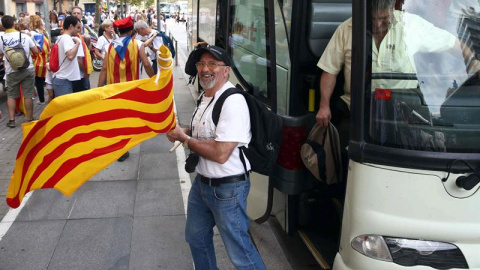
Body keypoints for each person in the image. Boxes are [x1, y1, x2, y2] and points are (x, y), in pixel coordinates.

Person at [166, 46, 266, 270]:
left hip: (227, 191)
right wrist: (181, 130)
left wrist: (183, 139)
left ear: (226, 70)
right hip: (202, 185)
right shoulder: (206, 96)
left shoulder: (233, 102)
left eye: (212, 64)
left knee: (240, 253)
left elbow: (221, 153)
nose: (205, 69)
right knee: (196, 239)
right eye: (201, 64)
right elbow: (204, 130)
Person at [315, 0, 461, 152]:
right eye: (372, 20)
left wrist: (473, 63)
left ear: (393, 9)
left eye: (384, 20)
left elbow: (452, 43)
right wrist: (324, 106)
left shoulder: (411, 26)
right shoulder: (346, 29)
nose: (377, 25)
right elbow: (329, 70)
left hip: (403, 110)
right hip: (356, 107)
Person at [97, 17, 154, 162]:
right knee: (128, 119)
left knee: (116, 119)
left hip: (113, 89)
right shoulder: (137, 44)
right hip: (131, 90)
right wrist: (154, 79)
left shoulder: (110, 46)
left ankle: (119, 148)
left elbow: (103, 68)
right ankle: (123, 147)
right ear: (131, 31)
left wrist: (98, 89)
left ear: (118, 31)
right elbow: (147, 64)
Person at [0, 15, 39, 128]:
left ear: (3, 26)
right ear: (13, 24)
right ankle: (30, 118)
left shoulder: (1, 38)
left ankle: (12, 120)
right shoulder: (24, 36)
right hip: (27, 68)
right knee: (28, 95)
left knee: (11, 95)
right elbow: (36, 51)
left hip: (11, 70)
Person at [51, 16, 82, 97]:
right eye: (78, 27)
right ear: (71, 26)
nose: (79, 30)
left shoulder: (61, 38)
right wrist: (78, 43)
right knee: (66, 108)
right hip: (63, 80)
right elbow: (70, 56)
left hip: (62, 79)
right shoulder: (66, 38)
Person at [28, 14, 50, 105]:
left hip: (37, 61)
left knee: (39, 82)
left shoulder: (32, 34)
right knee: (47, 80)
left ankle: (42, 100)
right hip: (46, 59)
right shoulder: (45, 32)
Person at [71, 6, 93, 92]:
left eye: (78, 13)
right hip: (78, 71)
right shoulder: (72, 35)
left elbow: (87, 49)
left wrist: (87, 42)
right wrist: (84, 71)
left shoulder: (84, 28)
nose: (76, 15)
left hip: (84, 67)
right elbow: (77, 58)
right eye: (74, 13)